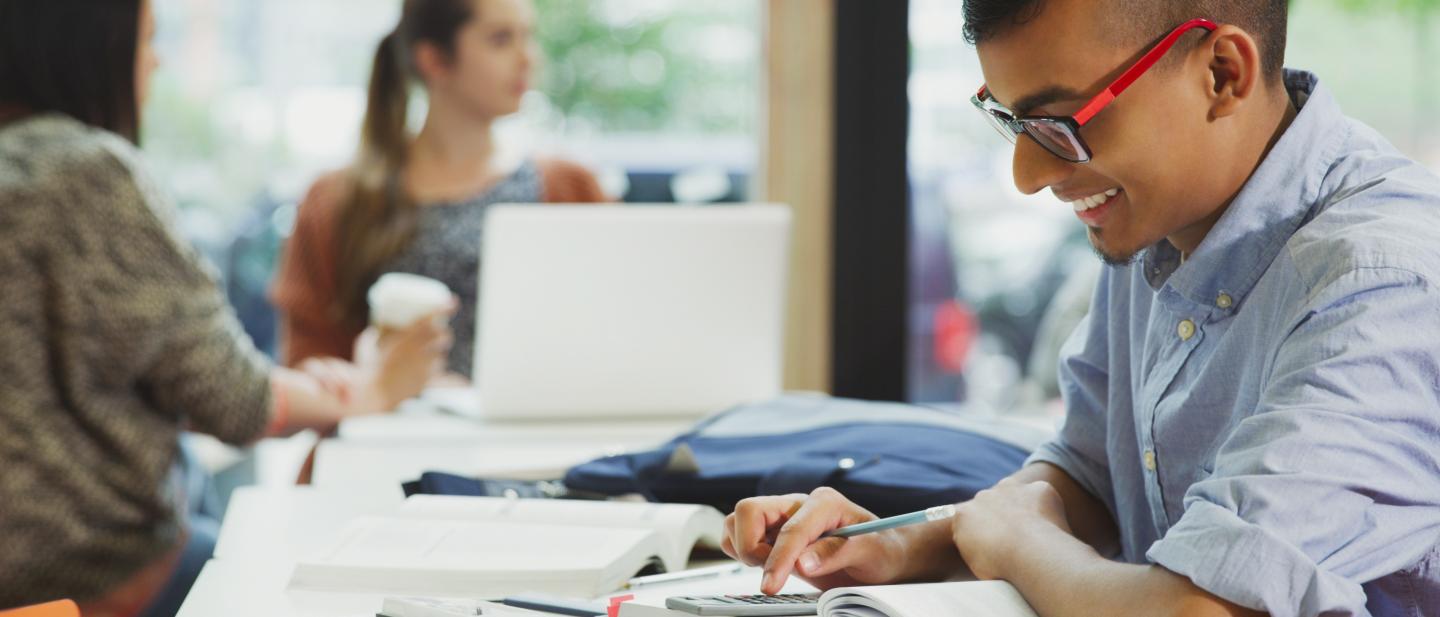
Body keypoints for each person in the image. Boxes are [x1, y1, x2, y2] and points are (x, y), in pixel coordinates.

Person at [723, 1, 1440, 616]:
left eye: (1059, 126)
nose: (1028, 176)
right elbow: (1088, 472)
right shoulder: (1159, 215)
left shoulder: (1384, 282)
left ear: (1222, 74)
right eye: (1011, 121)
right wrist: (910, 541)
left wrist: (1017, 543)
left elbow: (1203, 609)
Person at [0, 0, 453, 614]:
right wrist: (370, 389)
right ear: (83, 46)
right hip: (88, 575)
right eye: (147, 39)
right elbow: (232, 400)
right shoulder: (83, 173)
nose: (155, 61)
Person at [271, 0, 608, 378]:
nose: (528, 57)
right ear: (434, 60)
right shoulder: (337, 199)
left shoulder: (571, 186)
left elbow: (614, 332)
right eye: (501, 40)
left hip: (537, 431)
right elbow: (307, 365)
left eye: (528, 36)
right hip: (387, 431)